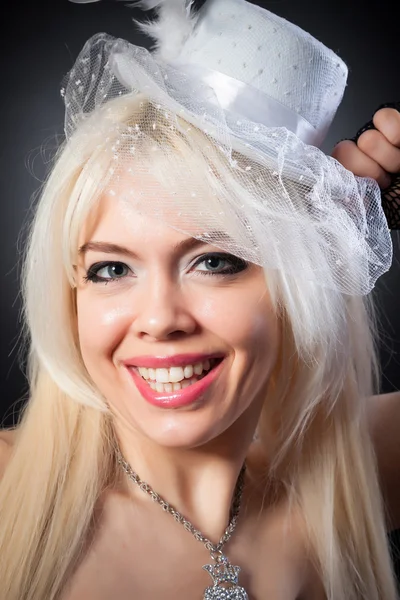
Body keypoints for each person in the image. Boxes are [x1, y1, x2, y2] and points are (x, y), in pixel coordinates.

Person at [0, 0, 399, 598]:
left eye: (215, 261)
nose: (160, 319)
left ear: (298, 287)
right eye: (111, 269)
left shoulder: (356, 465)